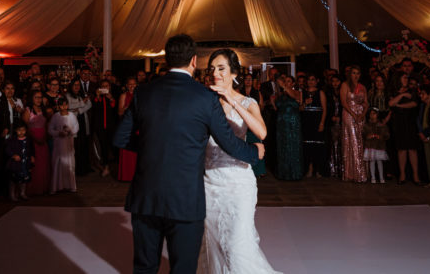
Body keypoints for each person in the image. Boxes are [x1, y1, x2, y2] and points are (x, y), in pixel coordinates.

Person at [113, 34, 263, 274]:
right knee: (183, 268)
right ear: (194, 61)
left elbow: (119, 138)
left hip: (146, 197)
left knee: (145, 267)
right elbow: (230, 144)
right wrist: (254, 151)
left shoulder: (143, 92)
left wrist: (154, 146)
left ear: (166, 59)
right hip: (186, 200)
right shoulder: (205, 97)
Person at [196, 49, 279, 273]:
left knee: (237, 245)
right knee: (211, 245)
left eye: (221, 68)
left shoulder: (247, 101)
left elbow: (261, 132)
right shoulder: (205, 101)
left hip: (239, 183)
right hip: (210, 183)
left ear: (234, 73)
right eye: (212, 69)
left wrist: (231, 98)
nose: (215, 73)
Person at [388, 70, 421, 184]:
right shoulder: (394, 91)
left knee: (412, 149)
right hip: (399, 123)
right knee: (401, 149)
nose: (406, 80)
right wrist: (401, 95)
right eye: (404, 78)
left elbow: (414, 103)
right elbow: (391, 103)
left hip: (410, 122)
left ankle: (415, 175)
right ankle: (402, 174)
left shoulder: (412, 90)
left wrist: (400, 105)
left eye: (407, 78)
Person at [341, 66, 368, 182]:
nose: (356, 75)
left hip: (360, 114)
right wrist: (353, 114)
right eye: (353, 73)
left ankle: (358, 172)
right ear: (350, 74)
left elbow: (366, 103)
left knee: (360, 141)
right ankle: (356, 174)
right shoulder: (345, 85)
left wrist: (362, 114)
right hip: (349, 113)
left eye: (358, 73)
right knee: (352, 141)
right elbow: (343, 102)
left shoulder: (362, 87)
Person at [275, 75, 303, 181]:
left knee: (292, 146)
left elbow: (295, 98)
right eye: (285, 81)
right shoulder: (281, 94)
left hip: (292, 123)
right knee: (283, 147)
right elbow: (276, 106)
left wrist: (283, 86)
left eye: (288, 81)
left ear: (293, 83)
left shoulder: (297, 92)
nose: (286, 83)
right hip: (281, 123)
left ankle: (294, 173)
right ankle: (284, 173)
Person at [49, 97, 79, 193]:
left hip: (68, 143)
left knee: (69, 163)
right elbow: (50, 129)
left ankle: (70, 185)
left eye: (65, 104)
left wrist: (70, 130)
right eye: (62, 105)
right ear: (58, 106)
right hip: (59, 144)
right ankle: (57, 186)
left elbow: (76, 127)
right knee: (58, 162)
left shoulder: (72, 116)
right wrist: (58, 133)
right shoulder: (55, 116)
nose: (64, 107)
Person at [23, 91, 51, 196]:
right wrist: (34, 138)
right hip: (33, 140)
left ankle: (43, 187)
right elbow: (26, 127)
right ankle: (34, 189)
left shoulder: (43, 110)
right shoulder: (28, 110)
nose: (39, 99)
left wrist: (45, 137)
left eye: (40, 97)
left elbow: (46, 125)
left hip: (43, 140)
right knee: (35, 165)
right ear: (32, 98)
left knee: (43, 164)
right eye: (36, 97)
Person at [301, 75, 327, 178]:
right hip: (307, 121)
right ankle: (309, 168)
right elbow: (300, 109)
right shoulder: (303, 93)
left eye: (313, 79)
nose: (311, 81)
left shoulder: (320, 93)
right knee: (307, 146)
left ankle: (318, 169)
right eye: (309, 79)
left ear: (316, 81)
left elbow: (324, 109)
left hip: (317, 121)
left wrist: (322, 123)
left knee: (318, 146)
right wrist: (305, 103)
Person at [67, 79, 92, 175]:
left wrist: (79, 110)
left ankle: (84, 168)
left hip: (83, 121)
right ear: (71, 86)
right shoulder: (68, 95)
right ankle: (77, 169)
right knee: (76, 146)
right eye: (75, 85)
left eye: (78, 85)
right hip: (74, 122)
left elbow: (89, 104)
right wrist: (82, 103)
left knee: (84, 145)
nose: (77, 87)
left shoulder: (82, 94)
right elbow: (69, 106)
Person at [5, 120, 34, 202]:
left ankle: (22, 193)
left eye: (23, 130)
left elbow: (31, 149)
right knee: (13, 179)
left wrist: (32, 156)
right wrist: (13, 155)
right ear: (15, 130)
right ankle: (12, 195)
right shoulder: (12, 140)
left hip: (25, 163)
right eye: (19, 130)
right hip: (15, 164)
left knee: (24, 179)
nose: (21, 132)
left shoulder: (28, 139)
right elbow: (7, 149)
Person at [117, 77, 138, 182]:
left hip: (137, 126)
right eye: (130, 84)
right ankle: (126, 176)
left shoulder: (140, 95)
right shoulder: (123, 95)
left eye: (134, 84)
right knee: (127, 151)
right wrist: (128, 106)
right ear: (126, 85)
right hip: (126, 126)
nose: (132, 86)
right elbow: (120, 113)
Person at [363, 108, 389, 184]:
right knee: (372, 161)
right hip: (370, 146)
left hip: (379, 146)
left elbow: (386, 135)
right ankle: (373, 177)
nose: (372, 115)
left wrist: (381, 137)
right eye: (371, 114)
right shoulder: (367, 125)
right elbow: (363, 134)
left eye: (374, 114)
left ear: (377, 115)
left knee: (379, 161)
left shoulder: (381, 125)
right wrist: (367, 136)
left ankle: (381, 177)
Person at [324, 74, 342, 177]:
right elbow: (326, 108)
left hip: (341, 121)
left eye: (337, 81)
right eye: (333, 81)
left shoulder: (343, 92)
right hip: (331, 122)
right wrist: (331, 117)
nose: (335, 83)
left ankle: (341, 168)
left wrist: (340, 117)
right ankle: (333, 169)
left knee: (341, 145)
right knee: (332, 145)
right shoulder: (328, 94)